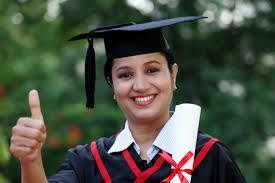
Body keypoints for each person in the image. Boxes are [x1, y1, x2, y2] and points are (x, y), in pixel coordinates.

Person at [10, 16, 247, 183]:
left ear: (173, 75)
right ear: (113, 86)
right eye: (125, 75)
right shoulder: (88, 162)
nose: (140, 85)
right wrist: (30, 160)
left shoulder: (209, 156)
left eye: (152, 70)